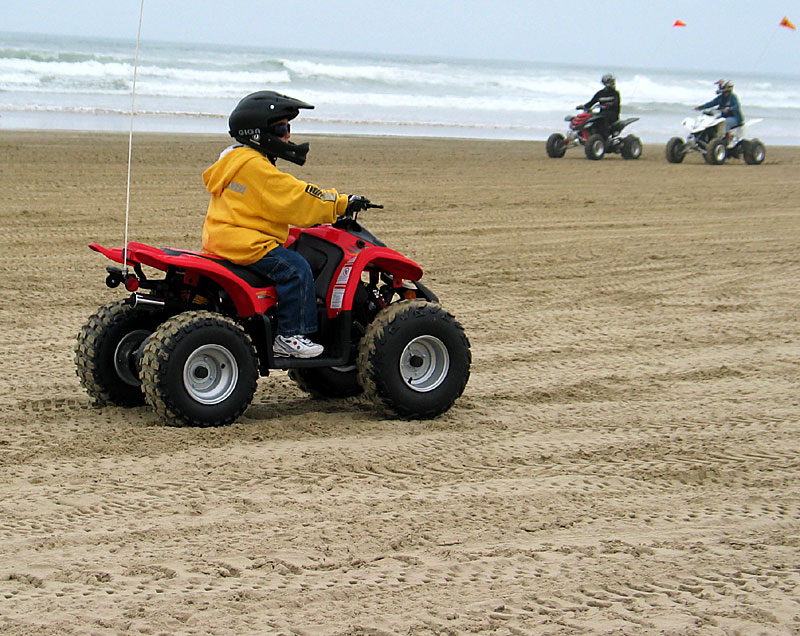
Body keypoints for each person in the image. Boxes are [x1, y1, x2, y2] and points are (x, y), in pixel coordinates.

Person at [201, 90, 368, 358]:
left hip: (223, 237)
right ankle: (290, 335)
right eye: (281, 128)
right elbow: (296, 197)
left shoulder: (233, 161)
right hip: (248, 243)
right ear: (257, 133)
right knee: (296, 268)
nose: (287, 135)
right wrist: (340, 203)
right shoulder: (257, 168)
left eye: (288, 127)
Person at [579, 73, 620, 139]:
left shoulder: (615, 93)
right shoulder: (600, 93)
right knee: (590, 117)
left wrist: (608, 105)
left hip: (612, 114)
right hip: (602, 113)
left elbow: (616, 103)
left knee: (603, 118)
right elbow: (591, 102)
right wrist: (583, 106)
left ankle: (605, 136)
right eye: (608, 82)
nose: (610, 83)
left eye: (611, 81)